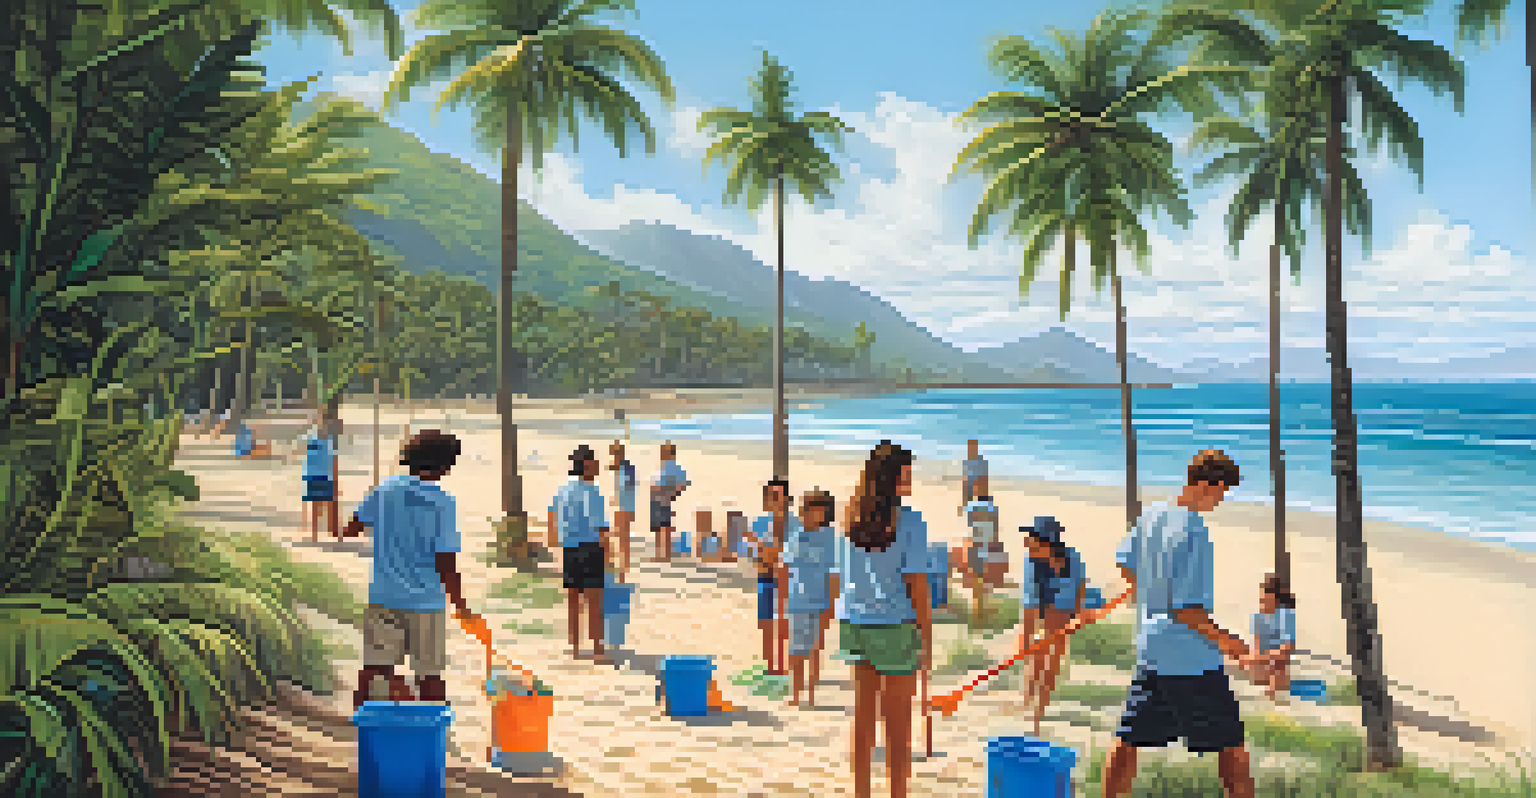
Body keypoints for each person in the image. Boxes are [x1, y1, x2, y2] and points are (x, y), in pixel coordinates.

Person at [1101, 449, 1255, 798]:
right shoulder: (1194, 530)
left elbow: (1126, 565)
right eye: (1221, 492)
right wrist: (1232, 643)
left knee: (1128, 741)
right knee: (1232, 747)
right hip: (1189, 658)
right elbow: (1187, 610)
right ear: (1207, 484)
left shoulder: (1152, 515)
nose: (1220, 500)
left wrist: (1146, 590)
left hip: (1151, 648)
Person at [345, 430, 480, 709]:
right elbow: (446, 561)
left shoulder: (384, 490)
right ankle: (433, 731)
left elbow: (351, 528)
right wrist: (460, 604)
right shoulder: (443, 502)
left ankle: (361, 725)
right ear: (445, 466)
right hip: (426, 601)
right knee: (428, 674)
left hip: (384, 595)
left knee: (375, 669)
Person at [828, 440, 930, 798]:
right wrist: (926, 638)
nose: (911, 481)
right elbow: (917, 585)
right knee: (899, 726)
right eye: (906, 474)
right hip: (895, 625)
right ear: (890, 478)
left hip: (854, 623)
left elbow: (839, 576)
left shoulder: (850, 518)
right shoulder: (910, 521)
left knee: (864, 717)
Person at [1015, 516, 1087, 736]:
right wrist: (1026, 642)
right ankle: (1027, 701)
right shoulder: (1032, 565)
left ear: (1048, 543)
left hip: (1062, 614)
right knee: (1035, 657)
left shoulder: (1072, 558)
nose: (1027, 543)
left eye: (1032, 539)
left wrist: (1077, 615)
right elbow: (1030, 607)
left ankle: (1039, 709)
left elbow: (1080, 588)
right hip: (1040, 611)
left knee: (1052, 662)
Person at [550, 445, 611, 664]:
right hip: (590, 547)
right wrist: (609, 555)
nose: (597, 467)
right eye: (594, 463)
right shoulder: (591, 491)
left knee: (573, 601)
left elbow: (552, 514)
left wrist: (556, 539)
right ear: (586, 465)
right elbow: (600, 526)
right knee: (594, 602)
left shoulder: (563, 490)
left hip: (569, 549)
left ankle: (575, 647)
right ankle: (597, 650)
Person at [785, 488, 838, 707]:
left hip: (821, 603)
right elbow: (786, 567)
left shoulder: (831, 539)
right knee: (796, 651)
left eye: (819, 511)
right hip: (797, 601)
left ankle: (811, 694)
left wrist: (832, 606)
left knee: (815, 650)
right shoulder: (796, 536)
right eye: (810, 510)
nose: (813, 515)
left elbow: (834, 575)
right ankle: (796, 694)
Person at [750, 480, 796, 675]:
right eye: (769, 496)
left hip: (788, 580)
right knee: (766, 623)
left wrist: (768, 553)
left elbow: (793, 556)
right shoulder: (760, 523)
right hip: (766, 578)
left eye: (777, 496)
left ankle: (786, 666)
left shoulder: (796, 524)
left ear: (786, 499)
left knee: (786, 624)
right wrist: (769, 555)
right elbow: (756, 557)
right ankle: (770, 666)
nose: (773, 500)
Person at [1247, 573, 1296, 702]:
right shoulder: (1257, 617)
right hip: (1265, 658)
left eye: (1266, 594)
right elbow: (1257, 646)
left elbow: (1288, 648)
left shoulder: (1286, 615)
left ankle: (1275, 688)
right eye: (1262, 594)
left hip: (1279, 659)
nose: (1262, 598)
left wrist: (1271, 656)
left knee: (1277, 666)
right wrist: (1258, 658)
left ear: (1275, 598)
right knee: (1253, 668)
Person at [960, 495, 1001, 621]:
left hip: (977, 551)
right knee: (982, 584)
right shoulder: (991, 516)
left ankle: (978, 612)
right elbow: (994, 537)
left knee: (978, 584)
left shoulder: (975, 514)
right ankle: (980, 612)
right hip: (984, 552)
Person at [301, 417, 342, 541]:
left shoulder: (313, 441)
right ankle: (320, 533)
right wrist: (335, 480)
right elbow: (334, 462)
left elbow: (333, 461)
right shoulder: (327, 443)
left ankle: (318, 534)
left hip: (315, 477)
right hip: (321, 477)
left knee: (319, 506)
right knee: (323, 505)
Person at [650, 442, 690, 563]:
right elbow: (684, 483)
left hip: (662, 497)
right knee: (658, 527)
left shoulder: (672, 466)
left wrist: (673, 492)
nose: (662, 454)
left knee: (663, 527)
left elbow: (684, 482)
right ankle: (660, 554)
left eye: (664, 452)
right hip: (658, 497)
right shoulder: (666, 466)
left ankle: (664, 555)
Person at [608, 441, 637, 581]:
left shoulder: (624, 470)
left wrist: (619, 502)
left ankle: (623, 569)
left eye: (614, 453)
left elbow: (626, 488)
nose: (613, 456)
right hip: (625, 507)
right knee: (622, 537)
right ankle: (624, 566)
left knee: (621, 537)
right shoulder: (625, 468)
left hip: (625, 508)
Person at [959, 439, 988, 514]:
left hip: (980, 489)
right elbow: (966, 481)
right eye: (970, 448)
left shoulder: (981, 461)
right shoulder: (967, 463)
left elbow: (983, 480)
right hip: (973, 488)